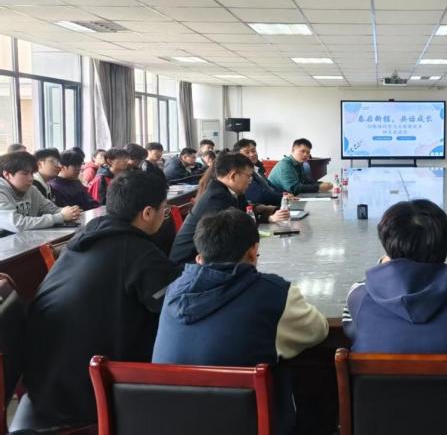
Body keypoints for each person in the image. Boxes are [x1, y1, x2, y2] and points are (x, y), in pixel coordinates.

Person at [22, 172, 180, 427]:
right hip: (87, 395)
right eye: (165, 209)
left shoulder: (86, 237)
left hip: (45, 382)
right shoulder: (138, 252)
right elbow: (176, 309)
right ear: (148, 212)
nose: (165, 215)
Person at [153, 209, 328, 435]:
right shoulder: (273, 294)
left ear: (199, 258)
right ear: (253, 253)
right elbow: (318, 330)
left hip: (172, 423)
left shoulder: (173, 292)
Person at [342, 199, 447, 353]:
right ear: (445, 242)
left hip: (379, 374)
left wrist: (384, 266)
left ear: (386, 245)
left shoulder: (360, 295)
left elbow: (354, 332)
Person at [170, 153, 289, 264]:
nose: (250, 181)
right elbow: (227, 239)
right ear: (233, 175)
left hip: (212, 256)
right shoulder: (215, 198)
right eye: (249, 176)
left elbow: (245, 216)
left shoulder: (232, 192)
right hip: (191, 263)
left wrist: (269, 218)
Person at [0, 151, 81, 234]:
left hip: (27, 239)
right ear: (7, 174)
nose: (30, 178)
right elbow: (17, 224)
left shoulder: (32, 190)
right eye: (25, 173)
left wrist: (70, 211)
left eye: (32, 173)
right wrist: (60, 217)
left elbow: (52, 209)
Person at [235, 138, 285, 206]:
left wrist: (284, 194)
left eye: (253, 151)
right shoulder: (242, 173)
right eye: (247, 152)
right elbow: (259, 195)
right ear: (238, 155)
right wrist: (282, 197)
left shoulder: (257, 168)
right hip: (265, 206)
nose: (252, 154)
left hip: (276, 202)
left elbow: (270, 186)